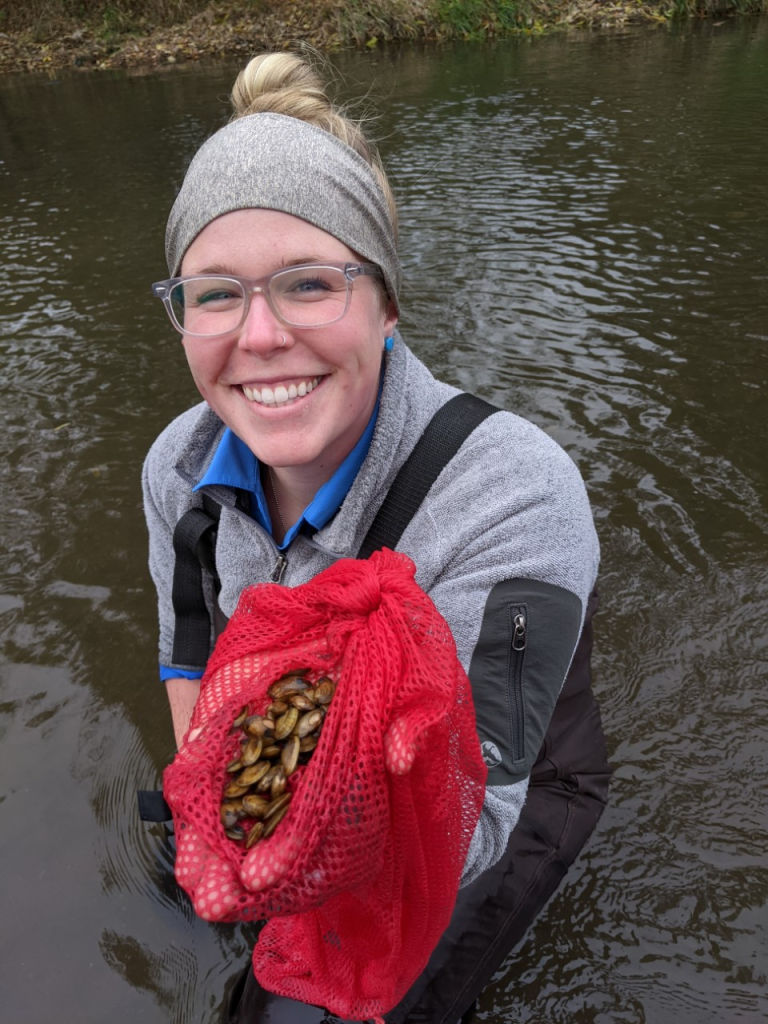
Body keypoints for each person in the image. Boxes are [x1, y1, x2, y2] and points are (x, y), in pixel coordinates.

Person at [143, 51, 611, 1024]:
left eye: (309, 284)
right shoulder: (177, 471)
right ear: (183, 315)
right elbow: (190, 642)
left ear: (387, 303)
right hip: (308, 744)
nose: (259, 335)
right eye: (217, 293)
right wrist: (220, 813)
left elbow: (473, 818)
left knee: (289, 1009)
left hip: (489, 795)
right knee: (175, 851)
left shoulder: (515, 495)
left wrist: (287, 850)